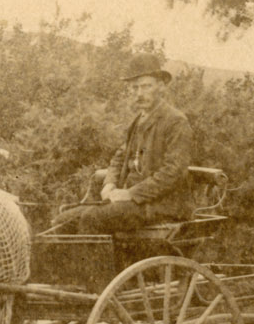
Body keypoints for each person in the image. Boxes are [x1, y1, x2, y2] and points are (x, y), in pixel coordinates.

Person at [64, 66, 195, 234]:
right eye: (135, 88)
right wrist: (110, 183)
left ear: (161, 87)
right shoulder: (139, 121)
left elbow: (173, 172)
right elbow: (119, 157)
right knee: (64, 220)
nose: (139, 94)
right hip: (133, 202)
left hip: (163, 206)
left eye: (146, 86)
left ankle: (92, 253)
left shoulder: (176, 122)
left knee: (92, 218)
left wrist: (130, 194)